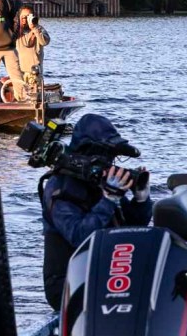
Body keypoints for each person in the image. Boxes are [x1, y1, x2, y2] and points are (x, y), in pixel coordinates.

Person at [41, 114, 151, 311]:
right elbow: (80, 236)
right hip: (67, 283)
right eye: (105, 154)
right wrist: (108, 200)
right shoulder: (59, 188)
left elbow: (133, 228)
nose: (109, 161)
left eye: (111, 156)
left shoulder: (101, 182)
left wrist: (141, 200)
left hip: (107, 273)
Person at [15, 5, 51, 83]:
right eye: (23, 17)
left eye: (28, 17)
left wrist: (34, 28)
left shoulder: (39, 29)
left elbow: (45, 42)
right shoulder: (15, 31)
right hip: (18, 73)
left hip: (35, 73)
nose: (26, 19)